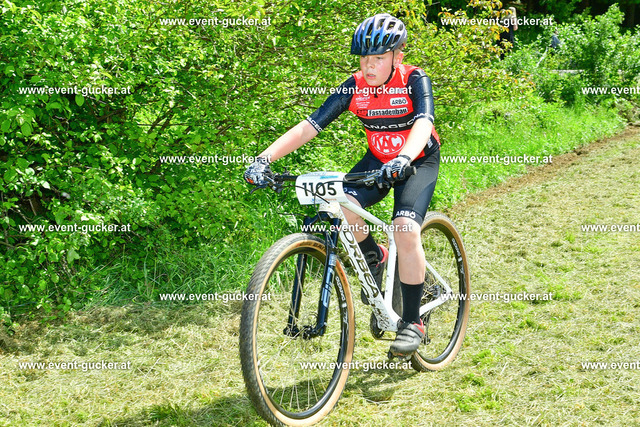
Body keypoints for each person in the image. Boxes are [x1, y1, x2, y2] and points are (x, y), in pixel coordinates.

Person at [244, 13, 441, 358]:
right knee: (344, 207)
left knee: (405, 228)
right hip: (378, 159)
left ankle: (413, 323)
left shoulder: (414, 79)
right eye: (364, 58)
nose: (369, 65)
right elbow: (309, 126)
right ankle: (375, 259)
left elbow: (424, 122)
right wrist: (264, 158)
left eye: (378, 58)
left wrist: (404, 158)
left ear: (398, 56)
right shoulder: (354, 87)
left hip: (417, 160)